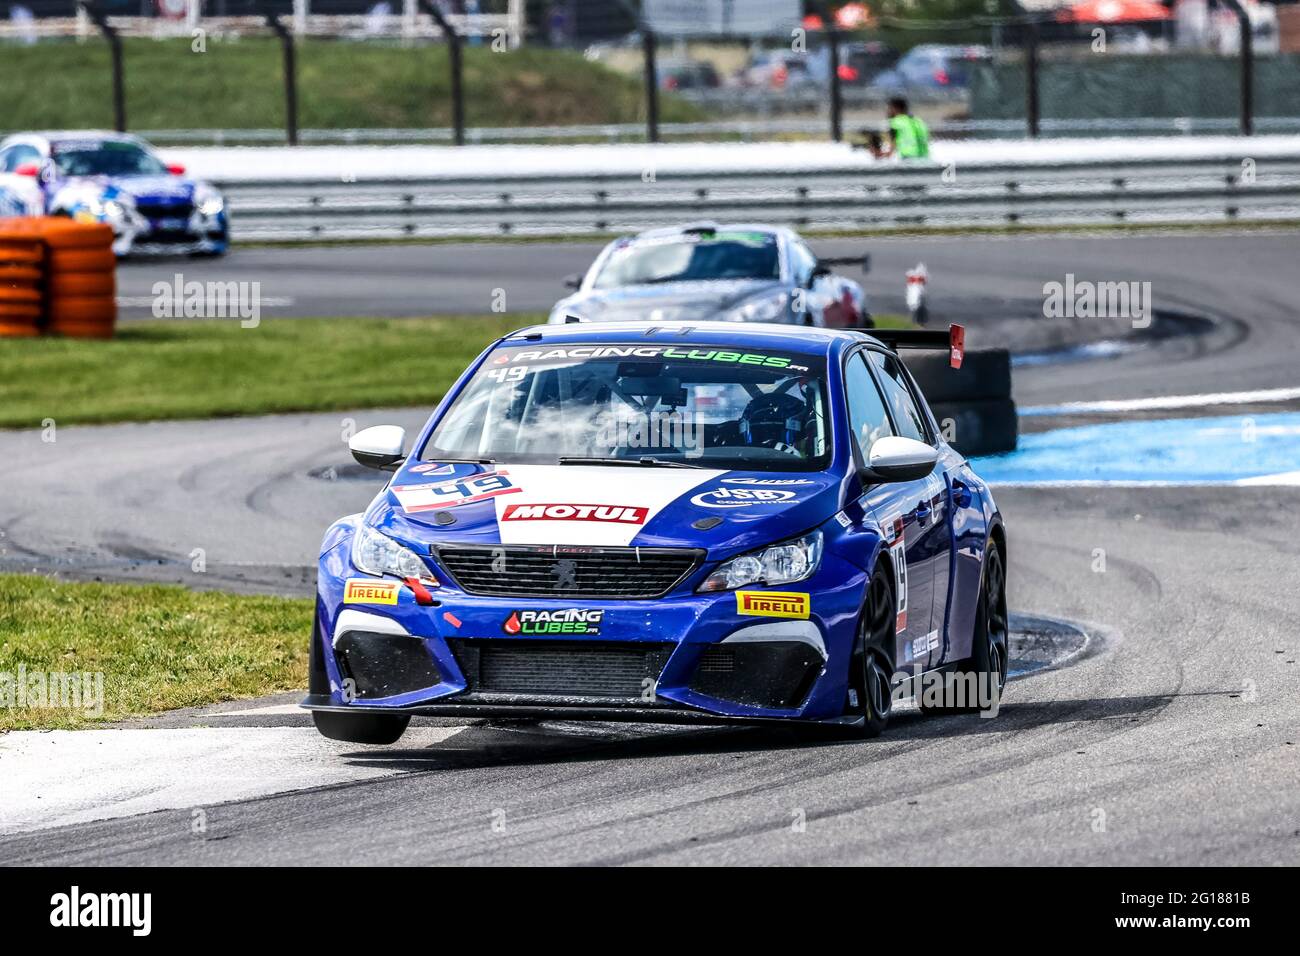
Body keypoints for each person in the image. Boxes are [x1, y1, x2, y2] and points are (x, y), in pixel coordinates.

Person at [866, 97, 930, 161]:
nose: (888, 111)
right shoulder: (918, 121)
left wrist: (876, 152)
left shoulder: (896, 122)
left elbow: (889, 150)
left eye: (889, 108)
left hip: (909, 159)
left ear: (895, 108)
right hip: (926, 159)